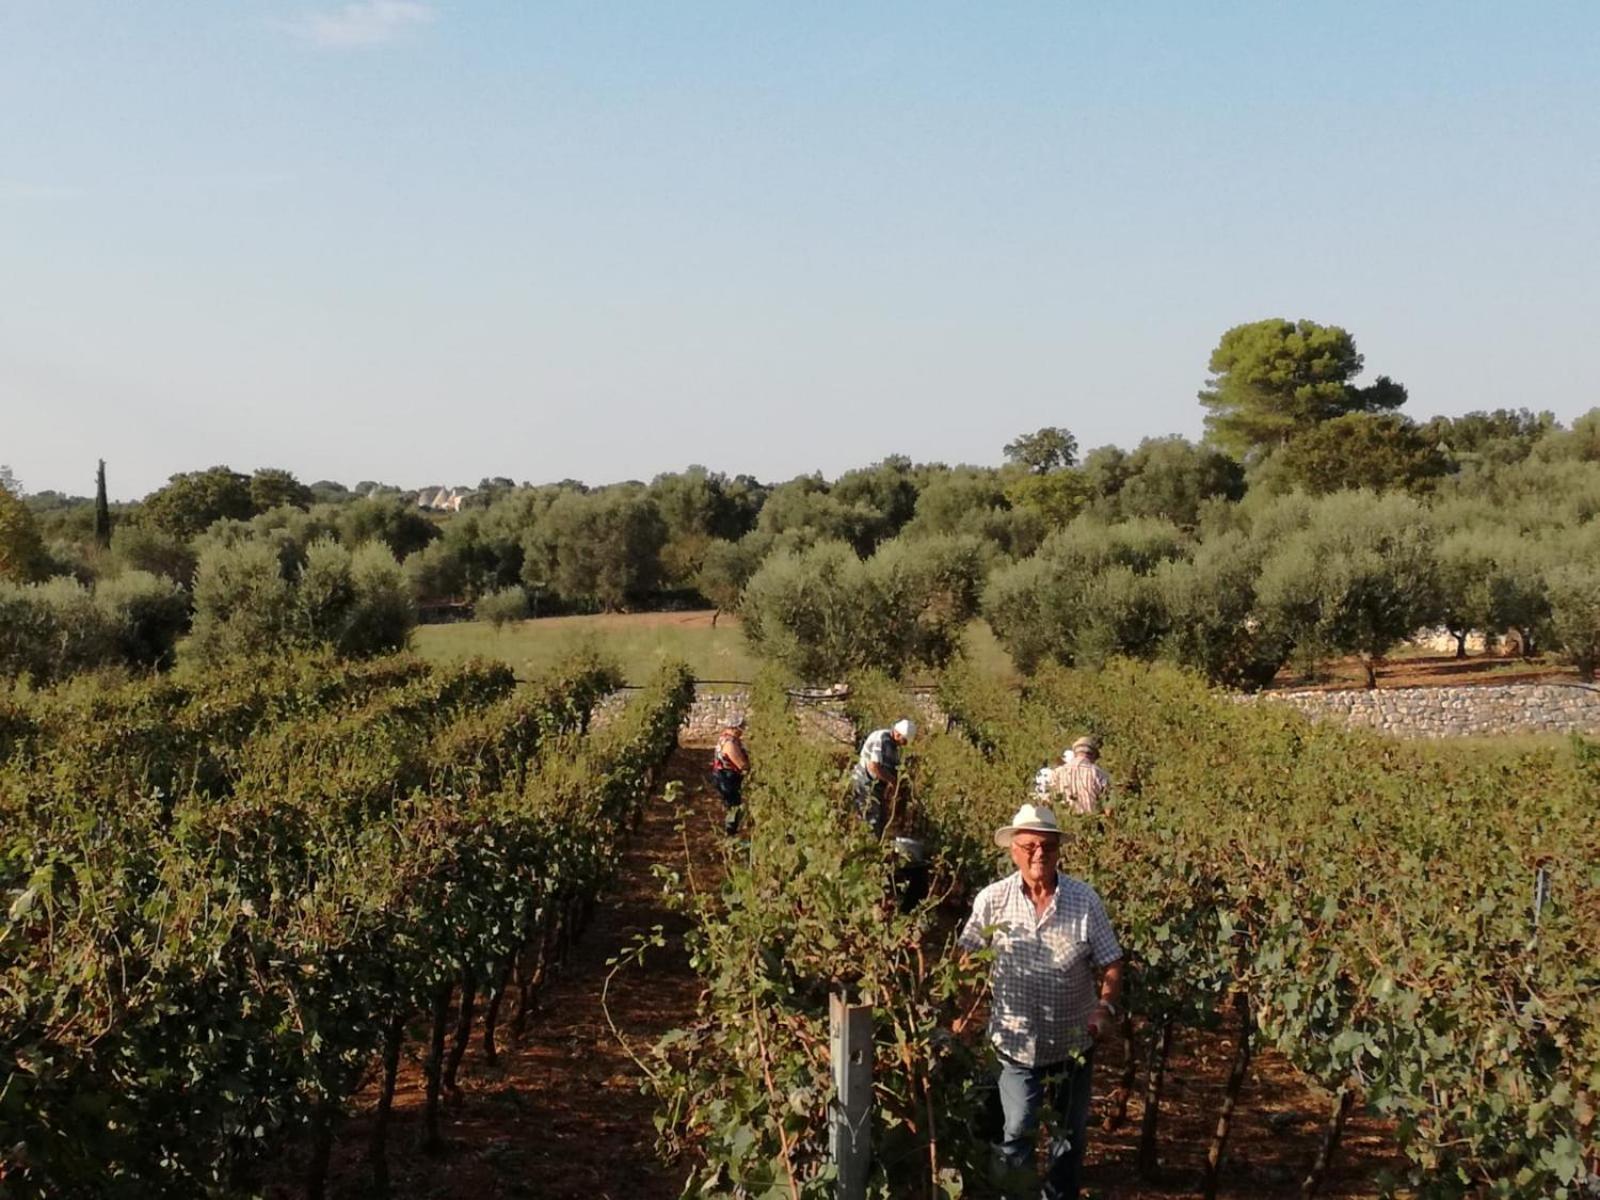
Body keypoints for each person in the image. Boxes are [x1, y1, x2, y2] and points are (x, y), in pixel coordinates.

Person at [957, 802, 1123, 1200]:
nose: (1038, 854)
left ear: (1058, 850)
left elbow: (1112, 961)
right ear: (1013, 850)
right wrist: (964, 1013)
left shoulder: (1084, 901)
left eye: (1046, 846)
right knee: (1016, 1134)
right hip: (1015, 1046)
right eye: (1029, 845)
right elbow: (965, 958)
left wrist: (1105, 1007)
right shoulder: (992, 900)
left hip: (1072, 1047)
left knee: (1068, 1139)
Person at [848, 717, 915, 837]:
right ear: (897, 734)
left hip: (877, 786)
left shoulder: (894, 747)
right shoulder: (881, 739)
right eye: (903, 741)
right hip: (865, 782)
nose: (904, 744)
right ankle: (867, 847)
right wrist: (892, 781)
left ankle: (875, 847)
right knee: (871, 819)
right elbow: (873, 766)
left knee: (881, 820)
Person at [1047, 735, 1109, 814]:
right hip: (1091, 821)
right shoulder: (1099, 773)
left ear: (1075, 753)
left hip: (1063, 821)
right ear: (1093, 754)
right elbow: (1108, 807)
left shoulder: (1057, 773)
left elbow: (1050, 800)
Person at [711, 712, 750, 835]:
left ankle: (731, 830)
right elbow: (741, 764)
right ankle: (731, 833)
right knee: (733, 806)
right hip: (727, 778)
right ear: (734, 728)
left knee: (732, 805)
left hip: (726, 777)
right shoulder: (729, 743)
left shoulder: (729, 739)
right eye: (741, 727)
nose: (742, 730)